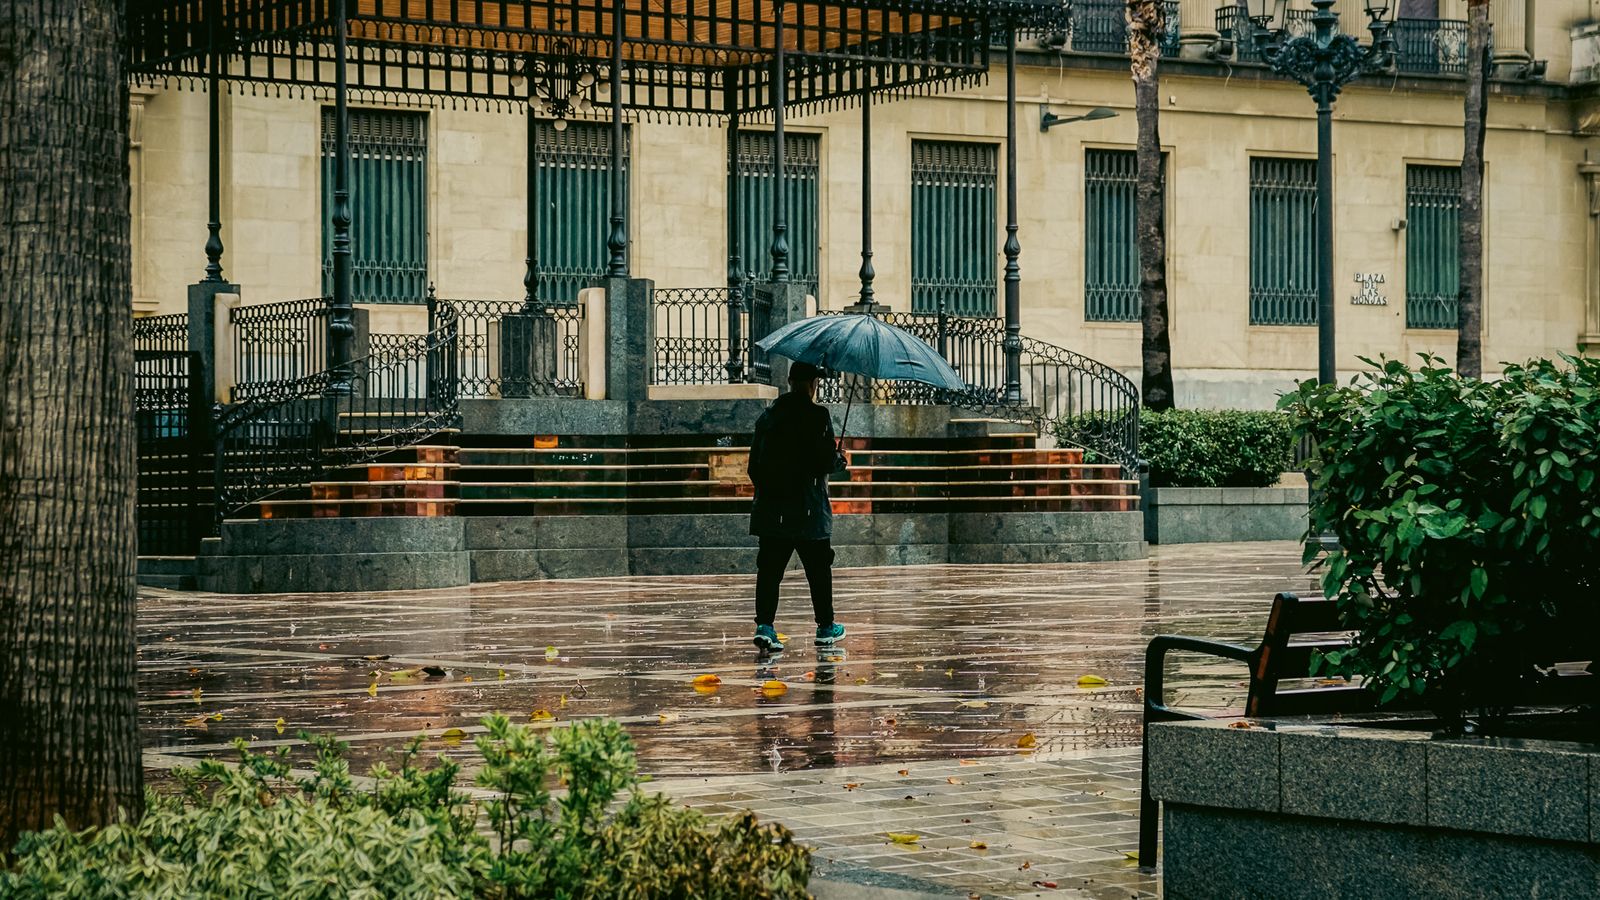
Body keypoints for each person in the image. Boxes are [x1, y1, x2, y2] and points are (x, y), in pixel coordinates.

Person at [746, 361, 848, 652]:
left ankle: (765, 626)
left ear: (790, 381)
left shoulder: (768, 417)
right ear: (813, 384)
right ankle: (825, 627)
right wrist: (839, 459)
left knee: (769, 571)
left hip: (772, 510)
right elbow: (823, 461)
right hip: (809, 510)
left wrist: (771, 492)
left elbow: (754, 467)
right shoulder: (818, 416)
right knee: (818, 570)